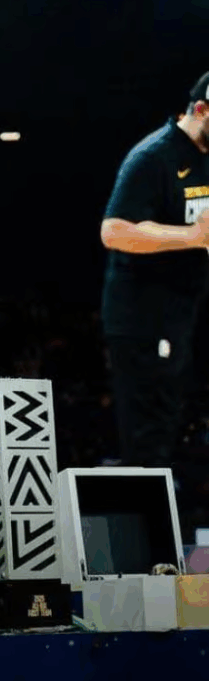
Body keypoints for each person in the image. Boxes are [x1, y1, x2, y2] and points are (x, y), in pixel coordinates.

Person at [100, 72, 209, 470]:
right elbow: (114, 231)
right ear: (201, 110)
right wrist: (192, 236)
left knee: (181, 431)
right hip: (144, 318)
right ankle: (145, 508)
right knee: (150, 439)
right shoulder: (153, 156)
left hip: (186, 312)